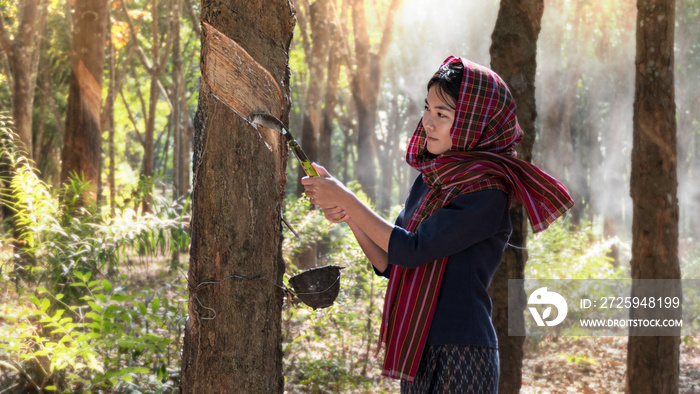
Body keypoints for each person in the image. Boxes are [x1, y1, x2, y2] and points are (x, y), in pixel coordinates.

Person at [301, 56, 574, 393]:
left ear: (475, 125)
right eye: (427, 108)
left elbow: (413, 250)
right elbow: (389, 262)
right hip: (419, 350)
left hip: (463, 354)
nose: (428, 122)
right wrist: (348, 212)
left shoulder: (487, 193)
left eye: (442, 115)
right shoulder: (431, 180)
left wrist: (346, 198)